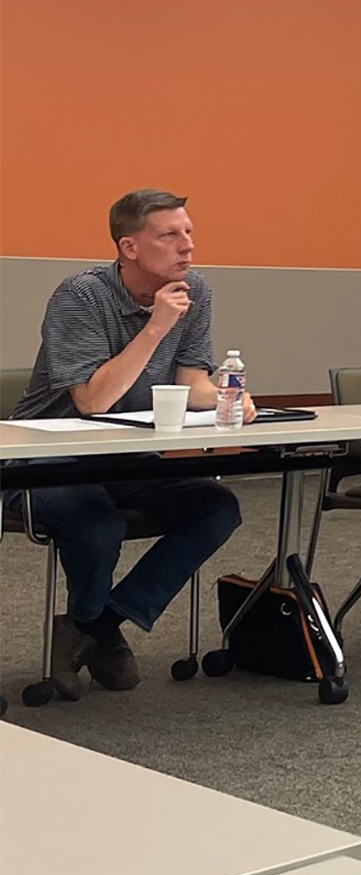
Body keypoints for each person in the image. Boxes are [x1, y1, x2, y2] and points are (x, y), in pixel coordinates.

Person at [6, 189, 249, 697]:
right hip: (45, 458)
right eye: (170, 235)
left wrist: (229, 396)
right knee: (95, 518)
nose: (187, 245)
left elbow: (191, 381)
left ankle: (98, 625)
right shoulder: (82, 295)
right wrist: (157, 327)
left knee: (216, 507)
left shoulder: (194, 291)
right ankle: (97, 629)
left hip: (124, 454)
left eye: (189, 232)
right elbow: (94, 399)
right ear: (129, 247)